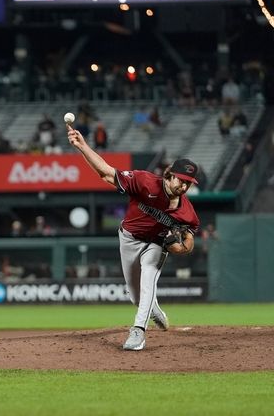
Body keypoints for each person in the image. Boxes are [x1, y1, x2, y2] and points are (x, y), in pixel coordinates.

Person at [66, 122, 200, 351]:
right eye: (180, 180)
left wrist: (183, 248)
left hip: (157, 243)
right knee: (136, 297)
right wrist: (83, 146)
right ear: (169, 175)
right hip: (129, 237)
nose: (184, 186)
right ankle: (153, 310)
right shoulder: (144, 181)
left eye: (188, 183)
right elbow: (106, 173)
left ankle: (138, 331)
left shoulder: (187, 211)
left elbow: (189, 238)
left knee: (149, 274)